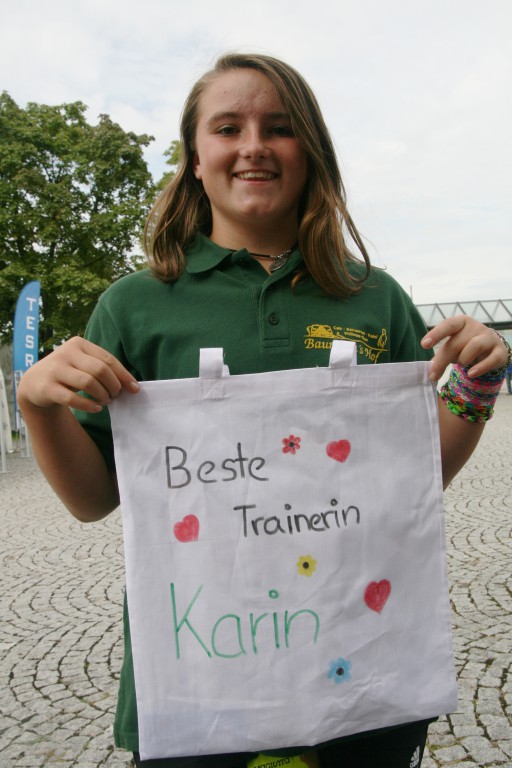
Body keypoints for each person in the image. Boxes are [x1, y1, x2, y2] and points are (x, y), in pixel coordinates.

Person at [17, 53, 510, 768]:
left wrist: (476, 386)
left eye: (279, 128)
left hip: (361, 681)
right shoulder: (134, 306)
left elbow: (412, 482)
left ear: (310, 150)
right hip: (200, 686)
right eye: (228, 128)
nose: (254, 146)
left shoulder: (376, 299)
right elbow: (93, 501)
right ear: (195, 159)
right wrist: (37, 406)